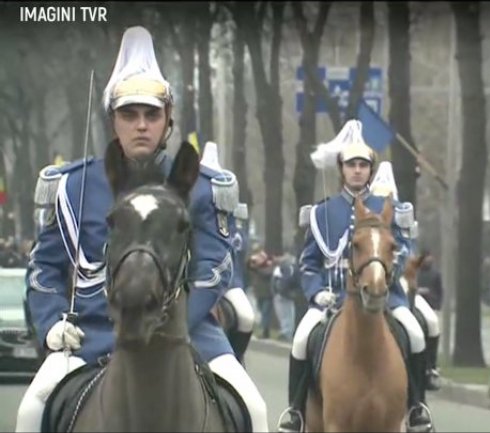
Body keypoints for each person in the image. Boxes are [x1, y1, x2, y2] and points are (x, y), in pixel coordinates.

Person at [16, 26, 268, 432]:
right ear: (112, 120)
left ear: (168, 120)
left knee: (254, 409)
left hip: (188, 338)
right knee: (31, 410)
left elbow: (213, 269)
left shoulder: (202, 187)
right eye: (129, 115)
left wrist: (171, 325)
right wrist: (51, 326)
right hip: (92, 336)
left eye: (152, 115)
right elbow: (44, 270)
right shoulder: (71, 187)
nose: (141, 125)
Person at [276, 120, 434, 433]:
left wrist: (385, 277)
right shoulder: (323, 211)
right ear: (342, 169)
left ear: (371, 170)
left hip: (383, 295)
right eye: (352, 165)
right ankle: (295, 411)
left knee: (415, 333)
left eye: (363, 165)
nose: (358, 171)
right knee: (301, 339)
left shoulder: (388, 206)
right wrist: (316, 291)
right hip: (332, 299)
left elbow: (401, 251)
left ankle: (416, 408)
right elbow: (309, 263)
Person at [370, 161, 443, 391]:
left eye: (388, 198)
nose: (384, 203)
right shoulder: (362, 212)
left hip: (394, 286)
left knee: (425, 325)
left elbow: (407, 249)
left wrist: (394, 269)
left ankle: (424, 379)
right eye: (380, 198)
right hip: (365, 285)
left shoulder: (403, 215)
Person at [200, 141, 256, 364]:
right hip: (197, 278)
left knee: (246, 316)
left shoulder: (231, 217)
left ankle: (236, 359)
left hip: (228, 281)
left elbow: (237, 252)